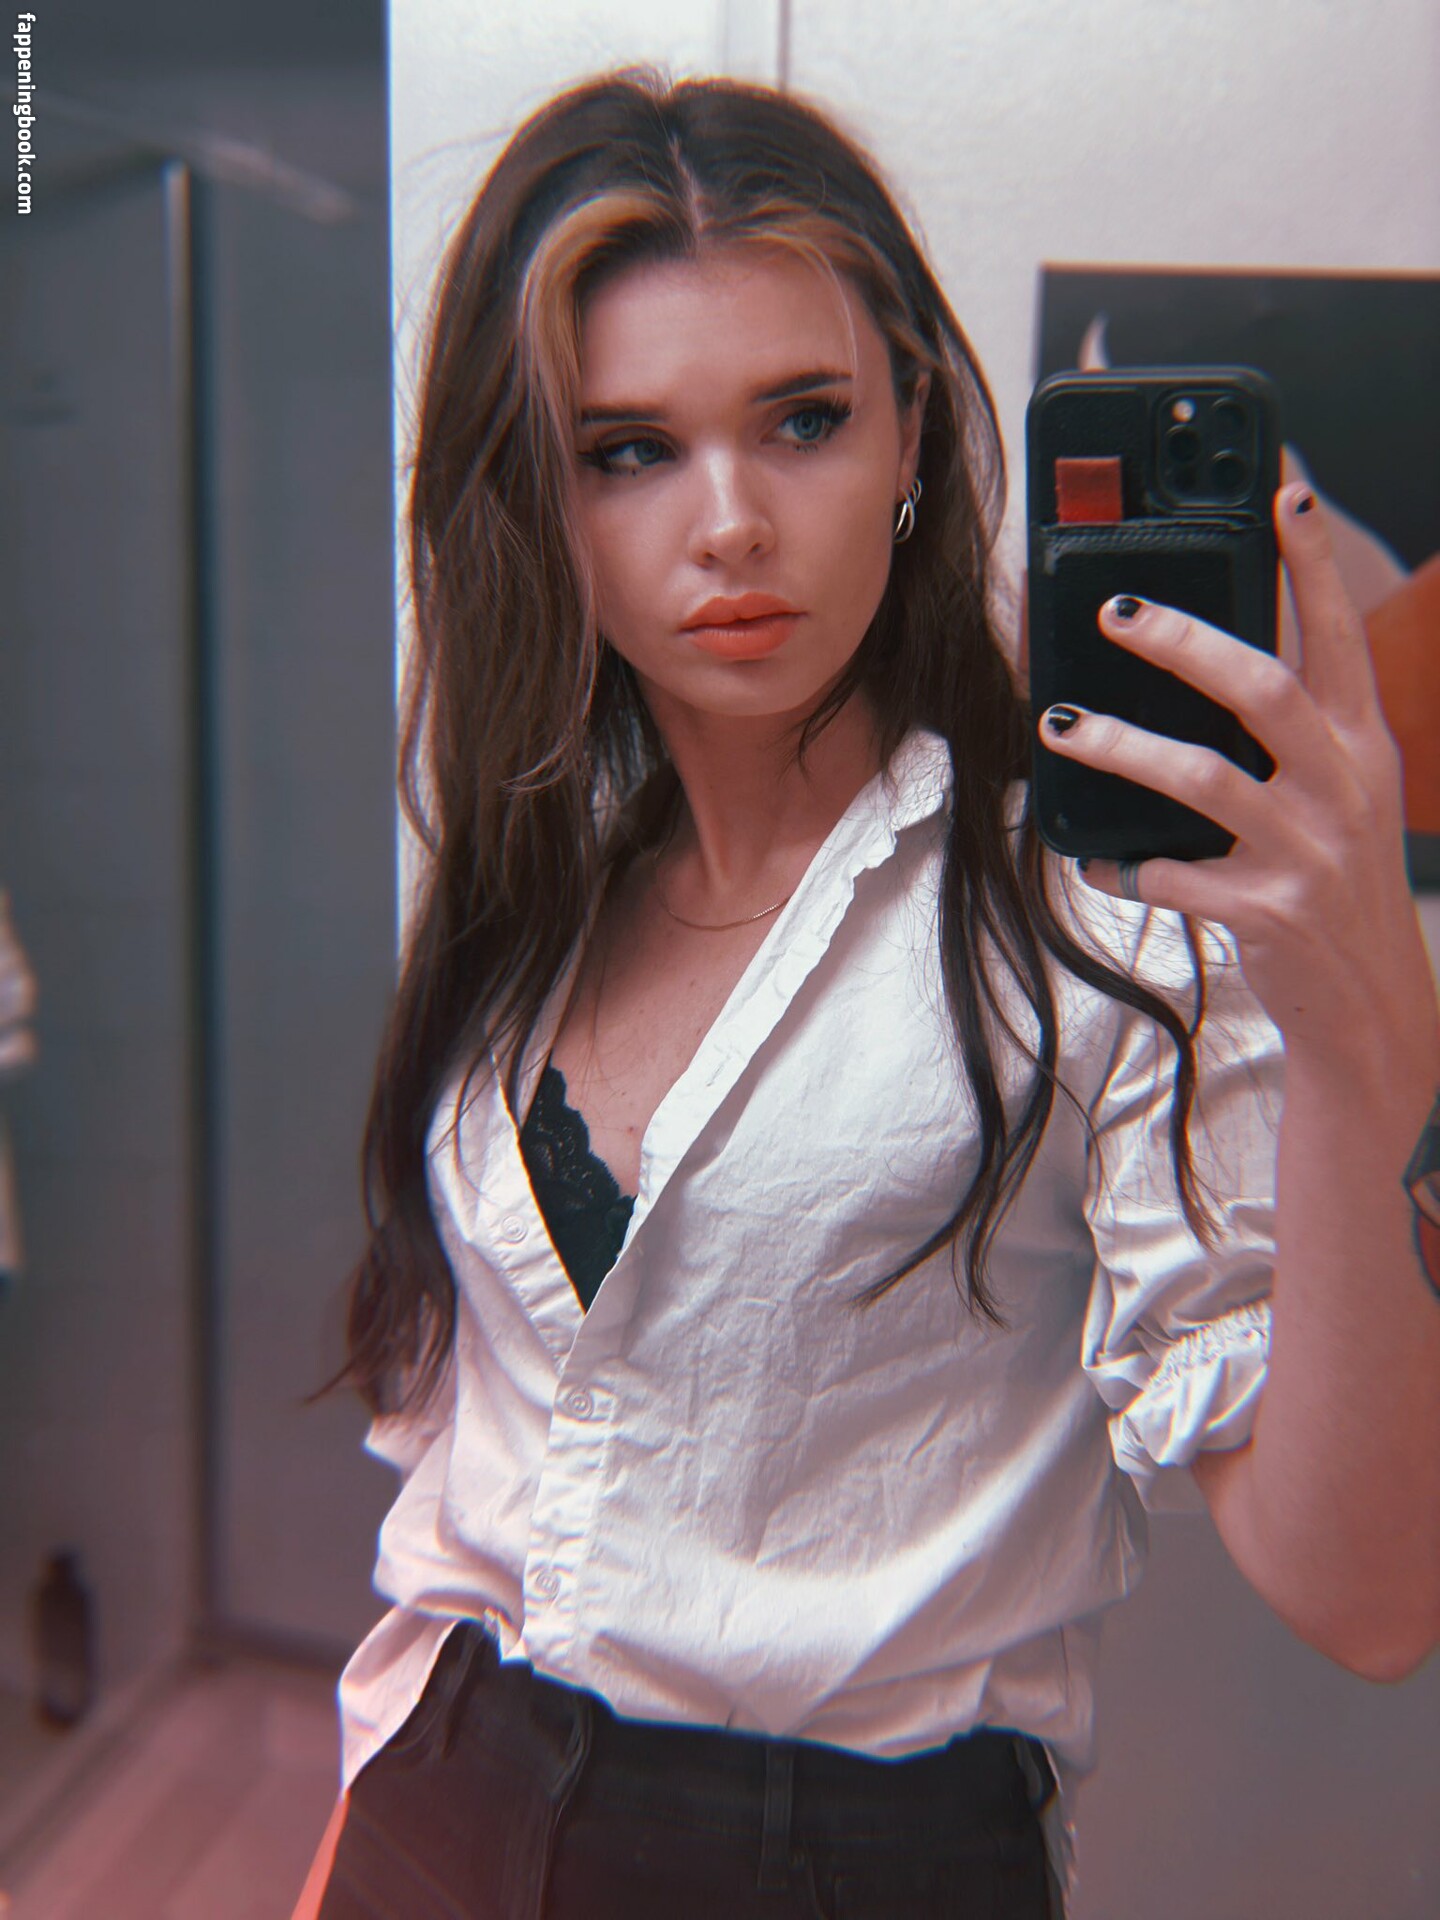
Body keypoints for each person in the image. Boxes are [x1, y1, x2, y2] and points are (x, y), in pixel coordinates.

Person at [306, 70, 1439, 1920]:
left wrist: (1366, 1004)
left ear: (913, 428)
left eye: (804, 420)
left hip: (847, 1859)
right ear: (541, 497)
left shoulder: (1094, 925)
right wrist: (349, 1845)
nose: (730, 524)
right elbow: (461, 1487)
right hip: (443, 1793)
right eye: (628, 449)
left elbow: (1372, 1593)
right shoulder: (532, 893)